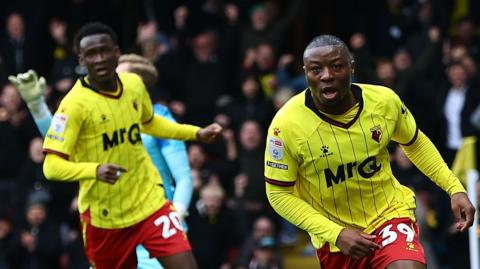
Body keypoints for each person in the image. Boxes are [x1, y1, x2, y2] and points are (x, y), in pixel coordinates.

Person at [11, 22, 222, 269]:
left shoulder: (133, 85)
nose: (99, 59)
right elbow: (51, 165)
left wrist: (196, 133)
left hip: (150, 204)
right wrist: (95, 170)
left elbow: (150, 123)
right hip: (106, 218)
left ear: (117, 51)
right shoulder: (74, 105)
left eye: (104, 50)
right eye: (91, 54)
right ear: (81, 59)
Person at [264, 34, 476, 269]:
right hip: (334, 239)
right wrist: (336, 233)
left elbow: (414, 142)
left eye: (336, 66)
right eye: (316, 69)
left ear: (351, 67)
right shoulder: (286, 125)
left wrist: (454, 188)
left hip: (389, 215)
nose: (327, 76)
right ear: (306, 73)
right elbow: (278, 194)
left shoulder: (384, 101)